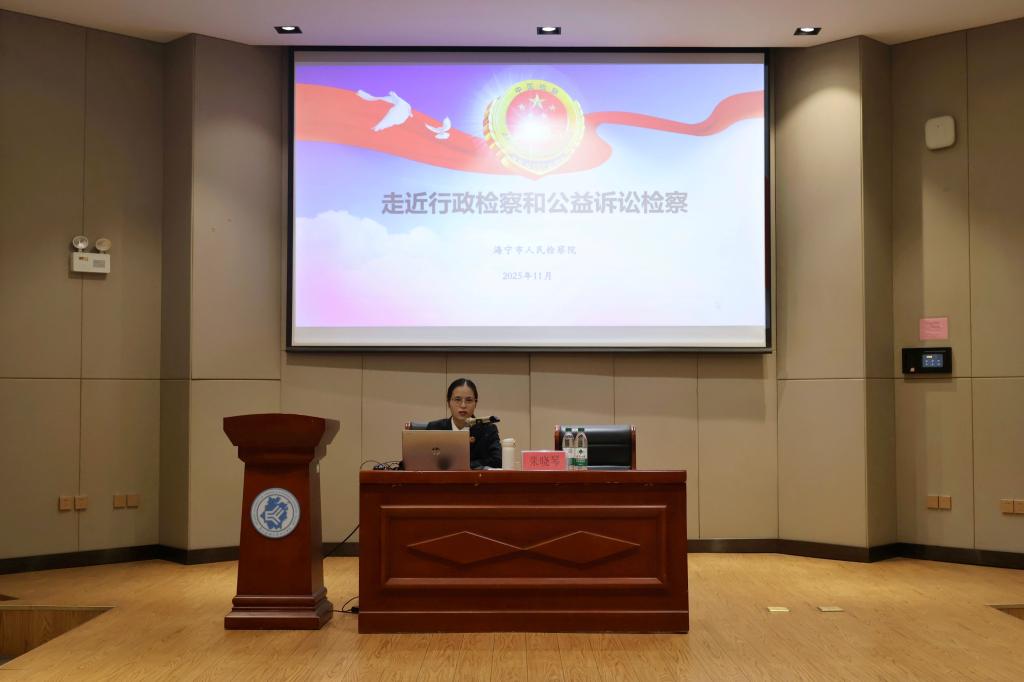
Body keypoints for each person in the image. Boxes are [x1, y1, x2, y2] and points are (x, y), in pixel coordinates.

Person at [425, 378, 502, 469]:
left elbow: (497, 460)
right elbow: (422, 460)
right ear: (448, 403)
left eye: (469, 400)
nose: (463, 405)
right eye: (457, 399)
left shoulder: (488, 430)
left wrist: (463, 465)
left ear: (475, 403)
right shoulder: (435, 428)